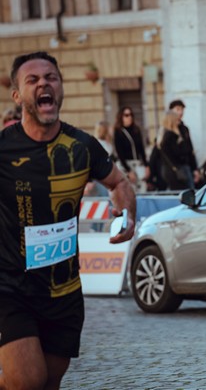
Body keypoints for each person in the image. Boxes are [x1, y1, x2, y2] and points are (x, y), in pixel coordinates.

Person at [0, 51, 136, 390]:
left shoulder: (82, 146)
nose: (44, 83)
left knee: (48, 382)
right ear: (17, 96)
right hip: (10, 286)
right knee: (27, 380)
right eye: (32, 80)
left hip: (64, 289)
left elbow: (118, 183)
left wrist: (126, 213)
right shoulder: (3, 148)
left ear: (60, 89)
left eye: (51, 78)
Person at [113, 106, 148, 191]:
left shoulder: (136, 130)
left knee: (142, 189)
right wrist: (128, 171)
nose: (130, 117)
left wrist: (147, 165)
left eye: (131, 115)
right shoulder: (118, 132)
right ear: (121, 117)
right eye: (126, 115)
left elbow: (141, 149)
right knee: (129, 191)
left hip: (137, 164)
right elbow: (119, 153)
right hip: (126, 165)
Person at [157, 111, 195, 190]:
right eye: (177, 120)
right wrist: (181, 142)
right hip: (177, 170)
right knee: (188, 192)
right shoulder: (171, 135)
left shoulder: (164, 135)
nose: (179, 122)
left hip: (170, 169)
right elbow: (178, 152)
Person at [169, 99, 201, 187]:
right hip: (174, 170)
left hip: (186, 167)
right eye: (178, 109)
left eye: (182, 109)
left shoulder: (184, 129)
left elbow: (190, 150)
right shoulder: (167, 130)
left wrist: (195, 169)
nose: (180, 112)